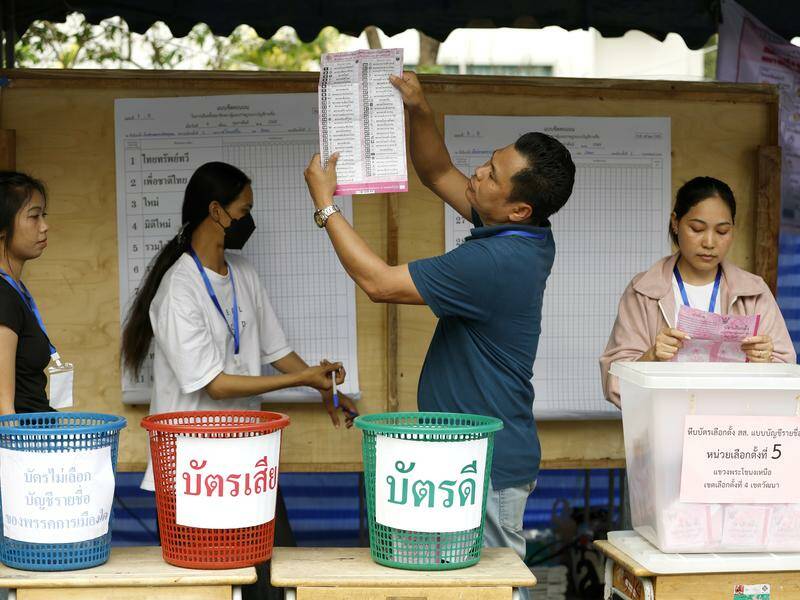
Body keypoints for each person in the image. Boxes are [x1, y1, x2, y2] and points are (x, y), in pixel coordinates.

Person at [304, 71, 575, 591]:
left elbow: (379, 283)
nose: (479, 172)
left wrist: (326, 205)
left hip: (486, 467)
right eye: (489, 162)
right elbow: (437, 171)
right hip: (464, 457)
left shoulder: (497, 261)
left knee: (490, 592)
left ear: (518, 207)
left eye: (492, 175)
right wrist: (419, 108)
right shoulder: (523, 228)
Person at [121, 161, 357, 600]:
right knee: (211, 588)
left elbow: (276, 351)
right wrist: (301, 378)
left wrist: (323, 384)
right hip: (192, 472)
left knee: (273, 580)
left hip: (247, 465)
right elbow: (215, 384)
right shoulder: (178, 289)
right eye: (244, 210)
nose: (250, 220)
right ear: (217, 211)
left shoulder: (243, 272)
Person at [600, 176, 796, 408]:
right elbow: (614, 384)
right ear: (675, 223)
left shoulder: (753, 291)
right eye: (697, 229)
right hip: (667, 423)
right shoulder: (644, 291)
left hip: (734, 424)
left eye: (722, 231)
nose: (709, 242)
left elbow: (788, 380)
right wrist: (652, 357)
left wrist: (766, 362)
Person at [0, 172, 57, 415]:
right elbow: (3, 406)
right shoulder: (3, 296)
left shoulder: (15, 290)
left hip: (37, 428)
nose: (44, 226)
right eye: (34, 216)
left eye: (43, 215)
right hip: (21, 435)